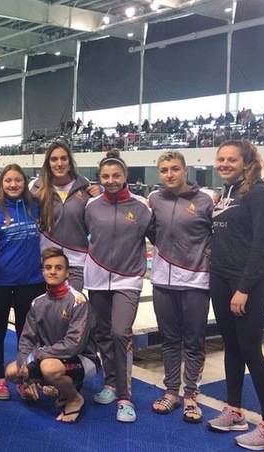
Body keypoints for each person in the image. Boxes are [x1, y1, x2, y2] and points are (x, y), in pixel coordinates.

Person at [205, 140, 264, 450]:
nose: (224, 164)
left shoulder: (258, 195)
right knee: (231, 346)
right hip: (219, 278)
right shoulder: (226, 195)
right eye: (221, 159)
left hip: (247, 283)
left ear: (246, 164)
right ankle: (234, 410)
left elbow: (261, 247)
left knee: (249, 350)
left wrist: (243, 288)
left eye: (231, 160)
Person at [83, 150, 152, 423]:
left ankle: (125, 397)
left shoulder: (141, 206)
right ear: (99, 178)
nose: (111, 180)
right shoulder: (92, 205)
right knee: (102, 333)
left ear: (125, 177)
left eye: (116, 176)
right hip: (97, 276)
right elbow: (86, 234)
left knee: (120, 332)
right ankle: (111, 383)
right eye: (105, 176)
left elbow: (159, 236)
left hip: (128, 278)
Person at [147, 151, 214, 424]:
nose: (169, 174)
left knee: (194, 341)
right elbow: (149, 229)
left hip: (197, 280)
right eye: (164, 170)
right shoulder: (154, 199)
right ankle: (172, 391)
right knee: (170, 340)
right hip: (163, 279)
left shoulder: (206, 199)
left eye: (175, 168)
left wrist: (213, 249)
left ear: (185, 169)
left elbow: (221, 229)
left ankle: (191, 395)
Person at [5, 248, 98, 424]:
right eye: (48, 267)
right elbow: (26, 339)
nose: (53, 272)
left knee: (48, 367)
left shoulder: (78, 301)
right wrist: (26, 369)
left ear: (67, 272)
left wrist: (37, 356)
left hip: (83, 359)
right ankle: (55, 386)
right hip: (51, 358)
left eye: (58, 268)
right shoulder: (37, 303)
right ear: (43, 271)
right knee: (12, 372)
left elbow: (74, 344)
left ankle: (75, 398)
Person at [0, 164, 45, 400]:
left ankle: (24, 376)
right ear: (1, 183)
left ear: (24, 182)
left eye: (18, 180)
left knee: (25, 333)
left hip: (31, 281)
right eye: (8, 181)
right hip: (0, 282)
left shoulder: (34, 207)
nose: (13, 184)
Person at [32, 140, 100, 291]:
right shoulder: (38, 188)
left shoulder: (84, 188)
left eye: (63, 158)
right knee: (48, 309)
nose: (59, 163)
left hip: (76, 263)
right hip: (48, 262)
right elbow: (16, 203)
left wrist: (101, 192)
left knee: (71, 308)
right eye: (54, 159)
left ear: (69, 162)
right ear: (48, 163)